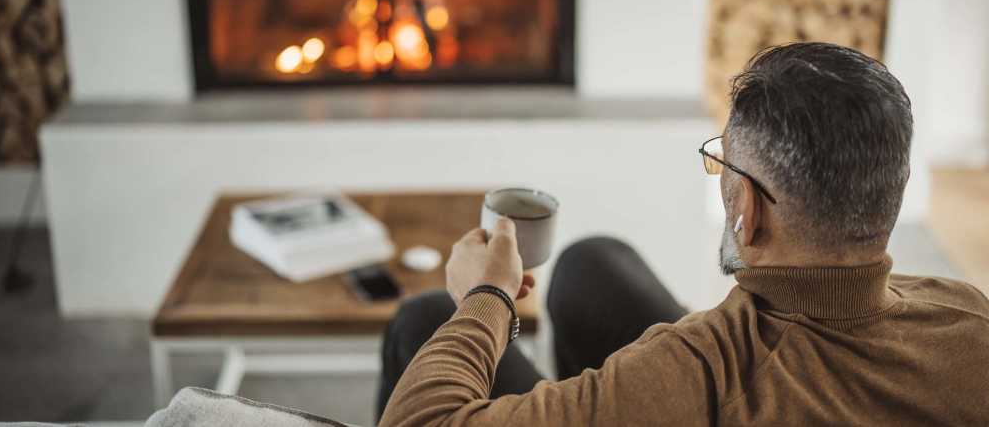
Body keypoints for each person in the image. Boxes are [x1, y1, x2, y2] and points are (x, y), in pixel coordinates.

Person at [376, 43, 989, 426]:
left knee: (425, 319)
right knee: (593, 265)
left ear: (747, 207)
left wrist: (487, 298)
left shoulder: (695, 374)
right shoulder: (967, 320)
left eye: (722, 162)